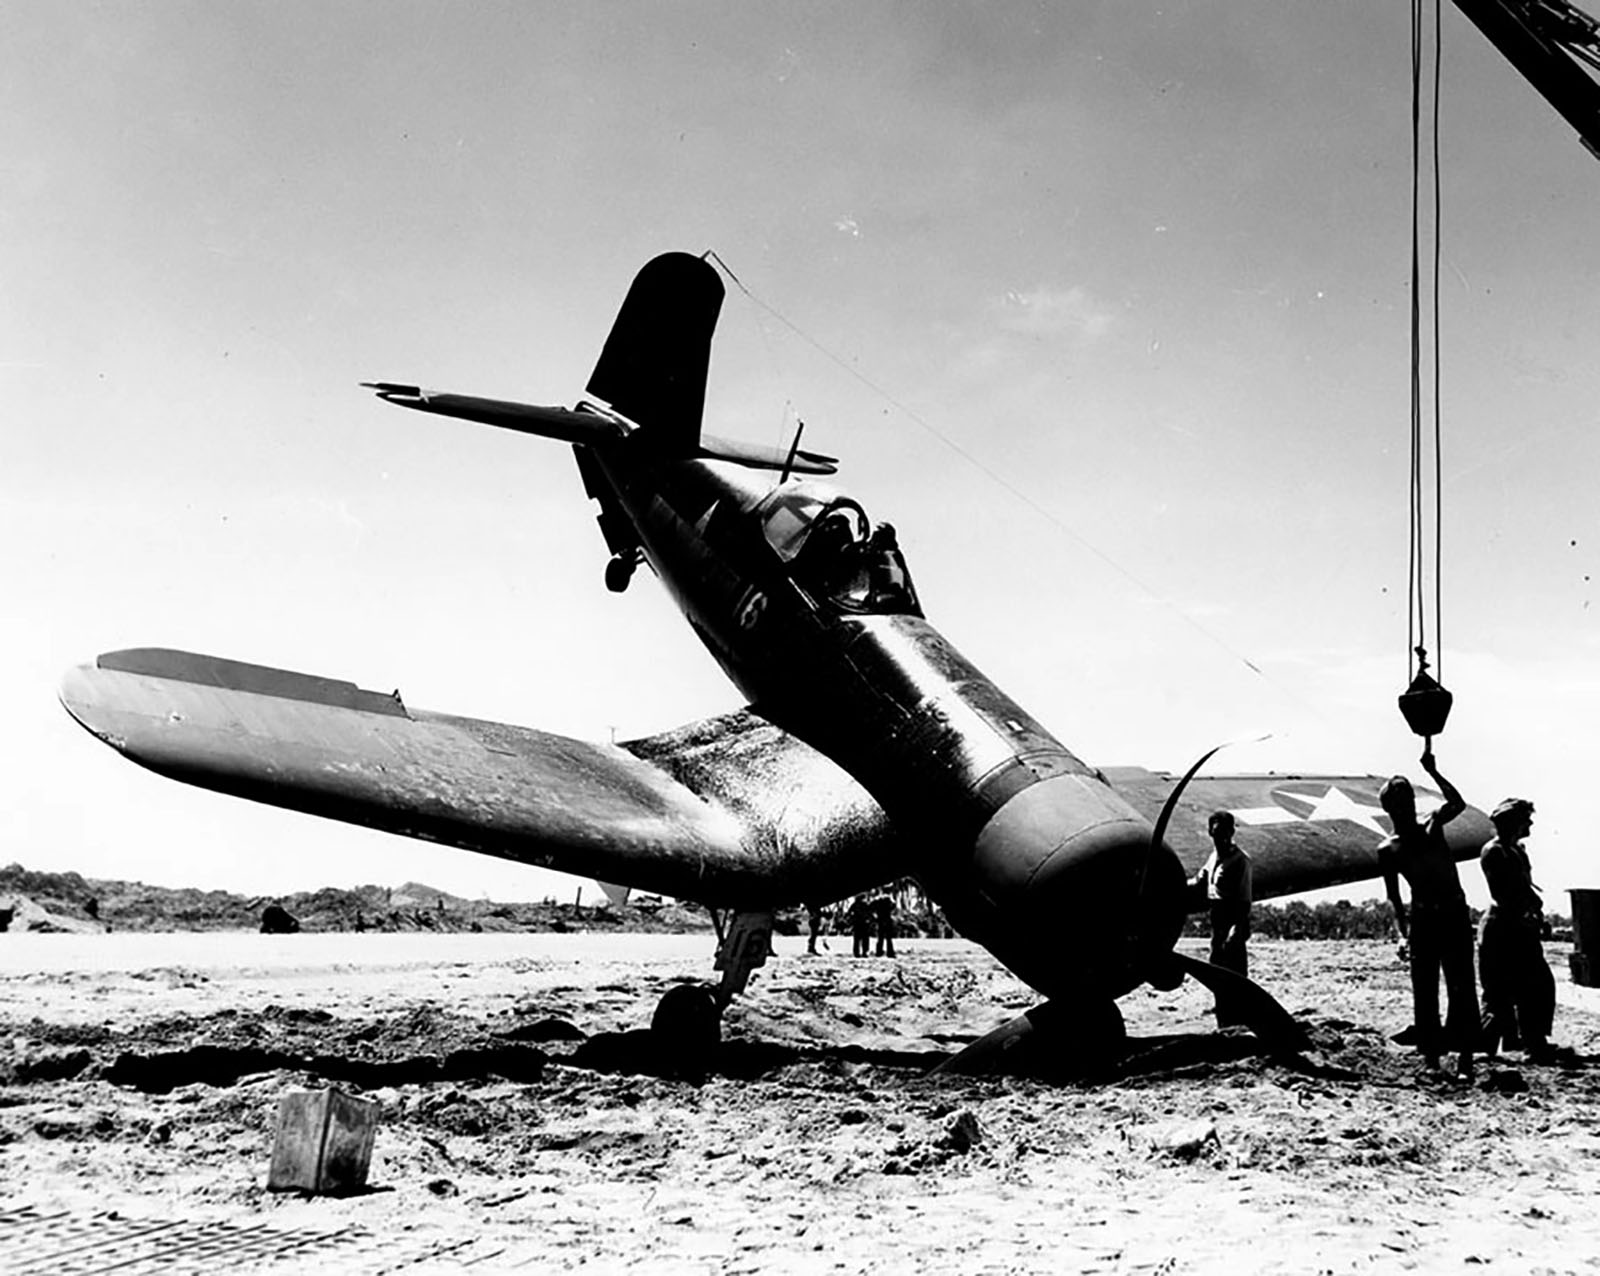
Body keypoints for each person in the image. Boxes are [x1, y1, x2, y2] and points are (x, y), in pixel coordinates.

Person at [1377, 748, 1476, 1078]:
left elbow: (1457, 804)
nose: (1406, 807)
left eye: (1409, 801)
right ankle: (1432, 1059)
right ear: (1389, 808)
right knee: (1425, 988)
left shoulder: (1433, 824)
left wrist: (1433, 772)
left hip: (1453, 914)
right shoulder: (1388, 849)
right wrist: (1402, 935)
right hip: (1423, 919)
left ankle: (1464, 1060)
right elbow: (1393, 897)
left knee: (1461, 985)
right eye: (1399, 803)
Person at [1478, 797, 1556, 1061]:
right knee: (1498, 991)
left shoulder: (1517, 850)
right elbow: (1503, 894)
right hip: (1502, 929)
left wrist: (1536, 912)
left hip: (1521, 926)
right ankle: (1486, 1049)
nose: (1530, 823)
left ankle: (1534, 1044)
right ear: (1513, 822)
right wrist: (1526, 915)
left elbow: (1526, 888)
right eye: (1526, 818)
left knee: (1537, 986)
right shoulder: (1494, 851)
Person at [1191, 811, 1253, 1024]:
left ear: (1232, 832)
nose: (1221, 837)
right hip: (1217, 922)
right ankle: (1224, 1022)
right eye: (1217, 833)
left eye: (1225, 832)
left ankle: (1240, 1022)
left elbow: (1244, 901)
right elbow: (1198, 881)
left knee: (1235, 973)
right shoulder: (1213, 857)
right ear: (1210, 833)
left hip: (1233, 921)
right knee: (1217, 973)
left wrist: (1236, 931)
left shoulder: (1240, 860)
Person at [872, 893, 897, 958]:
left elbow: (872, 907)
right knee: (889, 938)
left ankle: (879, 952)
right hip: (887, 919)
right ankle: (890, 953)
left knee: (880, 937)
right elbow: (893, 906)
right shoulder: (889, 900)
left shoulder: (877, 900)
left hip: (880, 920)